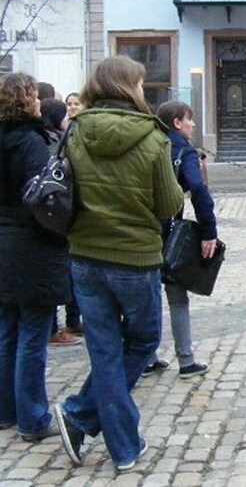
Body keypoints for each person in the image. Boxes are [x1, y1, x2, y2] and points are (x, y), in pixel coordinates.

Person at [54, 56, 183, 472]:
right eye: (141, 84)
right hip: (134, 258)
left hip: (85, 256)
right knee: (143, 342)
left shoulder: (76, 130)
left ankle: (85, 418)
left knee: (106, 348)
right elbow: (169, 204)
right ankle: (109, 434)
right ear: (130, 88)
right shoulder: (152, 136)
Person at [0, 73, 71, 441]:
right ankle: (31, 417)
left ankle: (6, 411)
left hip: (3, 243)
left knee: (7, 331)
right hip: (30, 246)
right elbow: (45, 200)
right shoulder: (32, 143)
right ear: (29, 100)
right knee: (32, 335)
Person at [144, 101, 214, 380]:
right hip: (168, 230)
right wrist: (209, 230)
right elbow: (197, 187)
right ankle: (186, 360)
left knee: (148, 296)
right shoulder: (182, 150)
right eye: (189, 119)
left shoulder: (150, 144)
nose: (193, 124)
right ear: (176, 122)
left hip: (143, 230)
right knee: (176, 296)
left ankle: (147, 357)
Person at [39, 99, 83, 347]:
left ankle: (71, 321)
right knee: (57, 273)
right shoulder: (49, 141)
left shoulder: (59, 137)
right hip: (52, 217)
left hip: (60, 218)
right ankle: (53, 328)